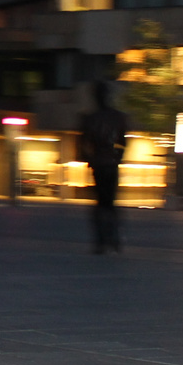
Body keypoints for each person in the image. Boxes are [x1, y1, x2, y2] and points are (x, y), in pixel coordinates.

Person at [78, 80, 130, 254]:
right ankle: (113, 239)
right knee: (110, 203)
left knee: (101, 203)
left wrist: (90, 160)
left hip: (100, 163)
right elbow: (123, 142)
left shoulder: (90, 118)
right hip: (110, 163)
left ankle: (102, 240)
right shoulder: (117, 117)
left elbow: (83, 144)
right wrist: (117, 157)